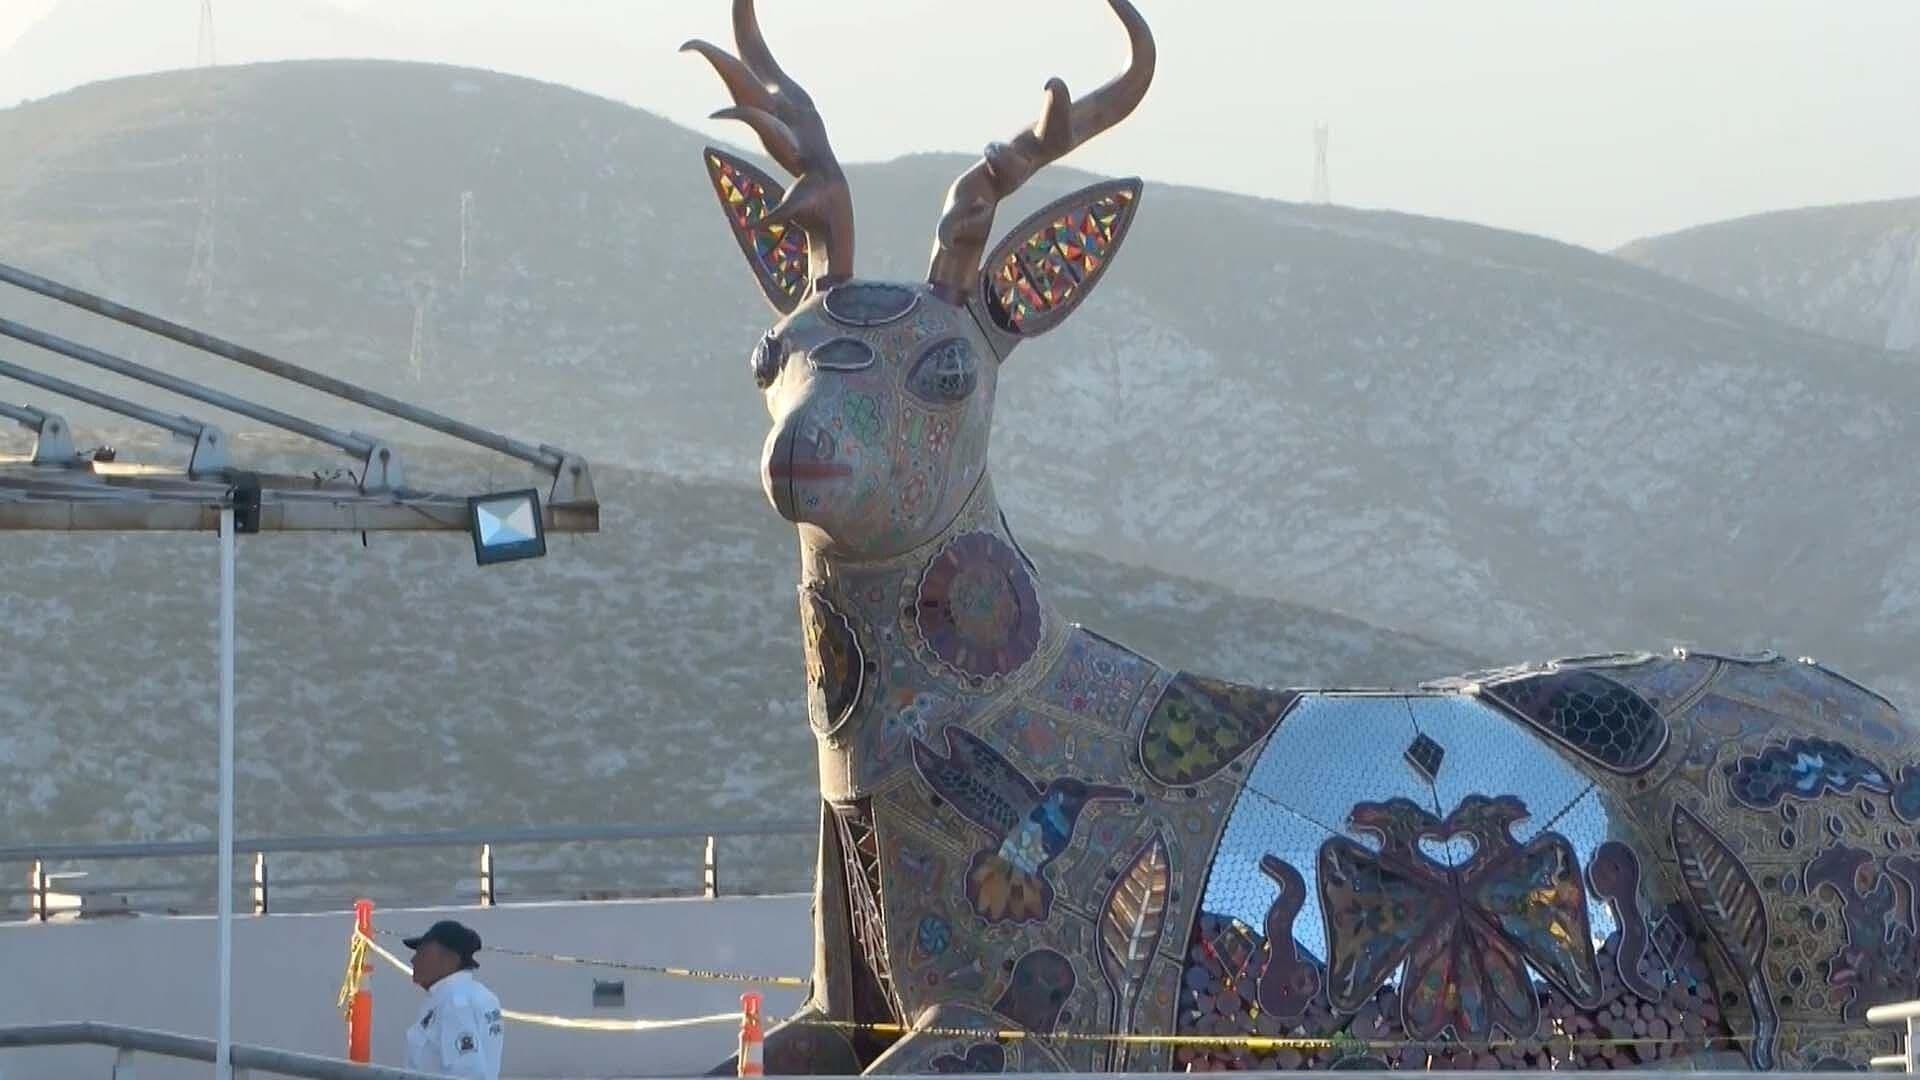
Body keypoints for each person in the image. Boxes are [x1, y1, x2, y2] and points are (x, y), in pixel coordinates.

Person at [401, 919, 504, 1079]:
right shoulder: (478, 995)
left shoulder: (454, 1004)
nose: (413, 960)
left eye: (422, 953)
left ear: (449, 959)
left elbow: (469, 1073)